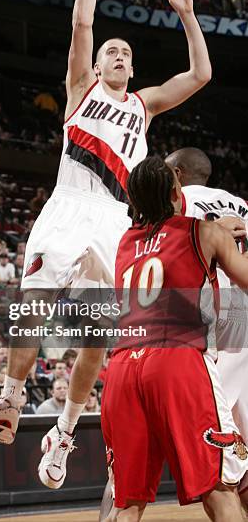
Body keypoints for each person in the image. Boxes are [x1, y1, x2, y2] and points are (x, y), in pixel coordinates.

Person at [0, 0, 212, 481]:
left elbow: (200, 77)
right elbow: (81, 27)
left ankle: (64, 431)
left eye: (127, 54)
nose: (119, 56)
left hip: (114, 218)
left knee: (98, 336)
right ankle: (10, 403)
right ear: (96, 66)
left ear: (133, 71)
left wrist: (188, 17)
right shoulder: (80, 91)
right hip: (69, 205)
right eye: (111, 52)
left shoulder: (144, 105)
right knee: (34, 303)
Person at [100, 157, 248, 522]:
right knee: (218, 485)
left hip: (122, 370)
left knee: (127, 502)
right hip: (178, 362)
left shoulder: (124, 243)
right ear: (175, 192)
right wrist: (221, 235)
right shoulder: (202, 231)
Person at [166, 146, 248, 509]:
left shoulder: (178, 202)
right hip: (244, 310)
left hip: (209, 317)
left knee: (214, 445)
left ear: (179, 174)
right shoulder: (241, 204)